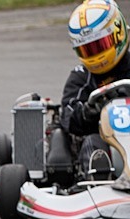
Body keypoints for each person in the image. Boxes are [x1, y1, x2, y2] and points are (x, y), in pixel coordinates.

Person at [61, 0, 130, 188]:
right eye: (88, 49)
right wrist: (86, 112)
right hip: (105, 142)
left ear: (118, 33)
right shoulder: (81, 76)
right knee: (93, 143)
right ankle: (97, 184)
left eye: (101, 45)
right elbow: (67, 115)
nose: (97, 55)